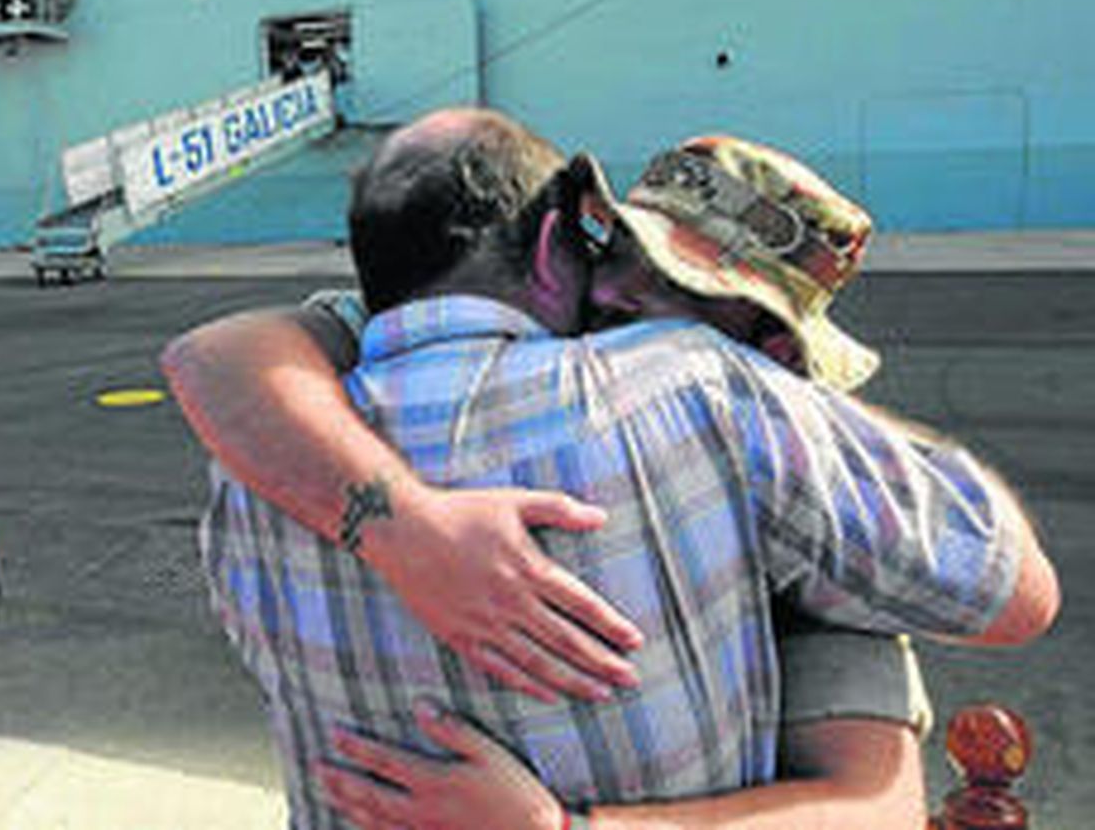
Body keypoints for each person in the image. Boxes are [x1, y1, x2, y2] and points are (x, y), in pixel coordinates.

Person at [166, 110, 1057, 829]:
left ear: (774, 347)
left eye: (687, 292)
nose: (624, 298)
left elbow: (875, 808)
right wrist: (405, 526)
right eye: (622, 253)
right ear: (571, 246)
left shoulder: (262, 462)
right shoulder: (707, 399)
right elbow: (216, 356)